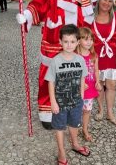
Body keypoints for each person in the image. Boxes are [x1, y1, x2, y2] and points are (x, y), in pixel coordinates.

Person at [16, 0, 97, 129]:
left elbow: (92, 10)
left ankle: (71, 109)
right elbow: (38, 4)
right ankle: (46, 110)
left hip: (78, 40)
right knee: (50, 73)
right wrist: (27, 15)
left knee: (75, 75)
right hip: (54, 37)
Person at [45, 24, 90, 165]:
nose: (69, 45)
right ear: (60, 42)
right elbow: (51, 82)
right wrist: (53, 102)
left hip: (76, 101)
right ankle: (61, 152)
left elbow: (82, 78)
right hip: (60, 103)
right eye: (65, 41)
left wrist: (81, 96)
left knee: (74, 123)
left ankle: (75, 144)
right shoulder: (56, 61)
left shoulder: (80, 60)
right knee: (59, 127)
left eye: (72, 41)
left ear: (77, 42)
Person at [91, 0, 116, 126]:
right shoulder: (90, 16)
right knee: (99, 84)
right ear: (99, 0)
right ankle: (101, 110)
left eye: (110, 1)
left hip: (112, 55)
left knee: (112, 84)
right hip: (95, 56)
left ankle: (110, 112)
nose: (107, 3)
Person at [76, 27, 101, 141]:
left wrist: (98, 82)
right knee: (76, 111)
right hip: (77, 89)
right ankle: (74, 131)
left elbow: (96, 70)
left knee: (87, 110)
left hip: (89, 89)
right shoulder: (75, 56)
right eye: (86, 39)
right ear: (79, 40)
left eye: (91, 39)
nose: (89, 42)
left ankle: (85, 129)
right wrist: (79, 84)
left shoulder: (94, 56)